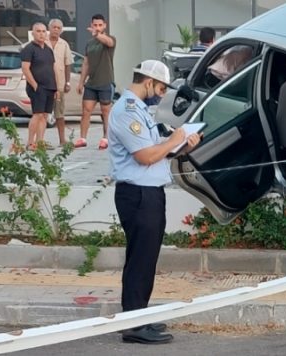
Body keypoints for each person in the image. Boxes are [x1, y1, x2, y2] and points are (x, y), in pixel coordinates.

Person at [108, 59, 201, 345]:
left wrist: (182, 145)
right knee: (140, 260)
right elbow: (145, 156)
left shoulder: (141, 111)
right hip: (137, 196)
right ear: (147, 81)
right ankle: (133, 325)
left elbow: (157, 153)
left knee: (146, 260)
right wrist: (174, 138)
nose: (162, 93)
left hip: (148, 193)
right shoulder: (127, 111)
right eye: (160, 87)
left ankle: (138, 316)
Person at [77, 14, 116, 150]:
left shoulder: (110, 39)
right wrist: (81, 82)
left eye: (100, 25)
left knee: (106, 112)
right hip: (91, 83)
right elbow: (86, 63)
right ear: (91, 25)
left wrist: (97, 35)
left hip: (105, 81)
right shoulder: (89, 43)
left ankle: (106, 138)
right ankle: (82, 138)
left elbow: (109, 43)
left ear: (104, 25)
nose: (98, 27)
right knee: (86, 110)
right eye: (95, 25)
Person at [20, 22, 56, 150]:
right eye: (38, 31)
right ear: (33, 33)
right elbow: (25, 68)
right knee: (37, 114)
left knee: (45, 115)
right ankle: (30, 143)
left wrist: (55, 86)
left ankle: (40, 142)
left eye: (43, 31)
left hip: (50, 87)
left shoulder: (48, 49)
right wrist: (34, 85)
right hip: (37, 88)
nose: (41, 34)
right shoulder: (29, 49)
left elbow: (52, 68)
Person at [48, 19, 73, 146]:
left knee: (59, 114)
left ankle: (62, 140)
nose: (56, 30)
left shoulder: (64, 44)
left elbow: (68, 64)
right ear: (49, 28)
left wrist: (67, 83)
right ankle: (37, 140)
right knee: (41, 115)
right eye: (54, 27)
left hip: (59, 85)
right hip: (44, 84)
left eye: (59, 28)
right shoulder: (43, 42)